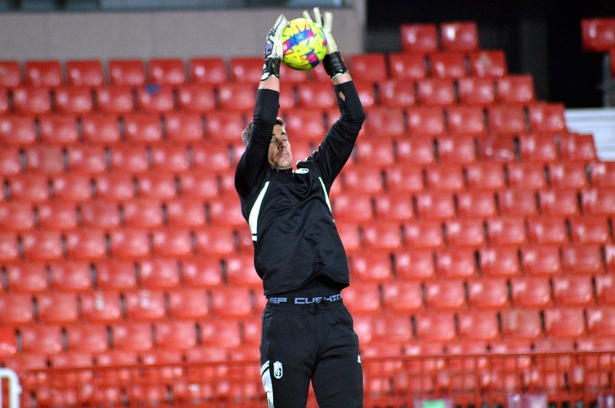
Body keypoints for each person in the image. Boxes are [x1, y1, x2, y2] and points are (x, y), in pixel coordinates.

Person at [234, 7, 365, 408]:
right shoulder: (252, 184)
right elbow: (262, 126)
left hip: (334, 318)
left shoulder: (316, 174)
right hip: (286, 324)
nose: (281, 140)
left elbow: (353, 117)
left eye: (284, 132)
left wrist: (332, 58)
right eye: (272, 136)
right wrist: (272, 62)